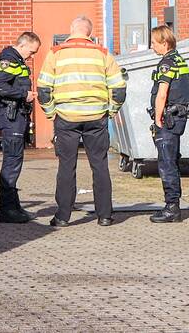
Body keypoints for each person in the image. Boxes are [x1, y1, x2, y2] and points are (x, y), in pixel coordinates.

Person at [37, 16, 125, 228]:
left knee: (66, 166)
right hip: (97, 117)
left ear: (71, 30)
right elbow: (119, 89)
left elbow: (43, 89)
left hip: (66, 118)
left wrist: (51, 113)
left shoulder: (56, 54)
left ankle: (62, 217)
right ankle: (104, 215)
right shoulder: (103, 53)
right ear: (89, 32)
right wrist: (110, 111)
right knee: (100, 166)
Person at [0, 31, 41, 223]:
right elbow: (0, 87)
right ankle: (7, 209)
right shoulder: (8, 60)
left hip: (16, 117)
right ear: (23, 45)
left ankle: (13, 205)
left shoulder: (16, 60)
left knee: (14, 161)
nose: (32, 55)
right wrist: (24, 94)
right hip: (11, 118)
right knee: (11, 161)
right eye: (32, 51)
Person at [149, 25, 189, 223]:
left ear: (164, 42)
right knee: (171, 160)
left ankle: (171, 207)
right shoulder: (179, 59)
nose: (152, 47)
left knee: (166, 163)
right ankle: (173, 205)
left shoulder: (167, 63)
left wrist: (158, 119)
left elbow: (162, 93)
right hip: (178, 117)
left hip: (168, 119)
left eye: (154, 43)